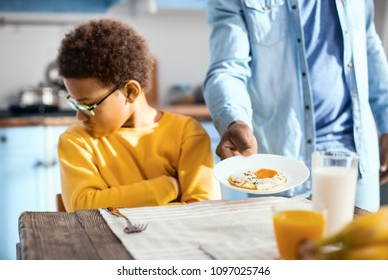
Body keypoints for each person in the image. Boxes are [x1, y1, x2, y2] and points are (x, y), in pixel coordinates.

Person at [203, 0, 388, 212]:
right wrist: (234, 120)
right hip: (284, 172)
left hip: (357, 164)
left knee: (359, 245)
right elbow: (227, 69)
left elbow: (369, 46)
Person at [57, 18, 221, 212]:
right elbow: (83, 206)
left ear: (130, 92)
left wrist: (109, 200)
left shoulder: (187, 134)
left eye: (89, 105)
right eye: (75, 103)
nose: (80, 117)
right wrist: (166, 188)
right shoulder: (76, 141)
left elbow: (203, 210)